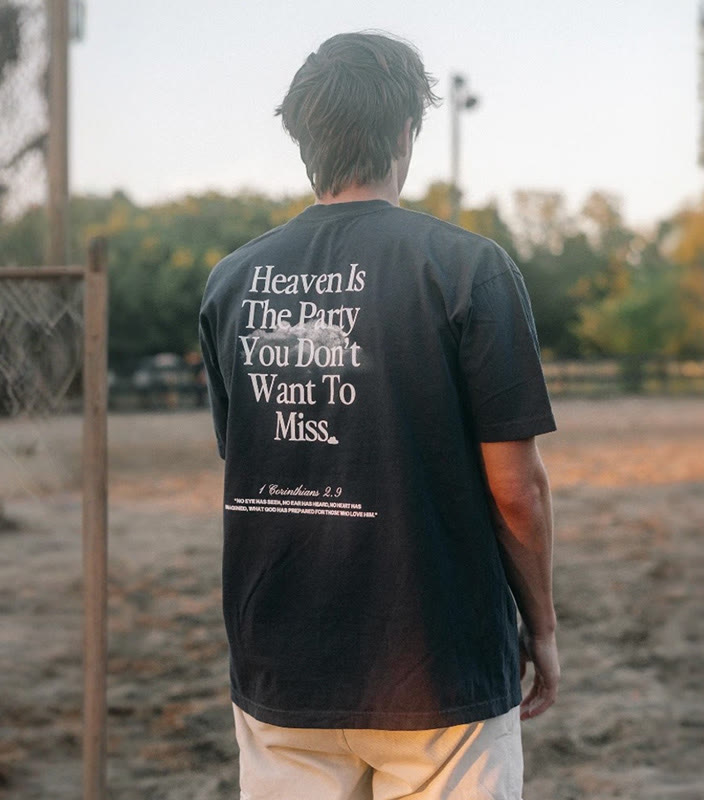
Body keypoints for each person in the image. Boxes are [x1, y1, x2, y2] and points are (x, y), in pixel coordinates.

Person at [199, 31, 559, 800]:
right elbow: (517, 491)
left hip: (281, 668)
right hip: (438, 673)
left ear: (303, 136)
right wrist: (543, 628)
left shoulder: (231, 282)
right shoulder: (469, 269)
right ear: (406, 131)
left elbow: (254, 457)